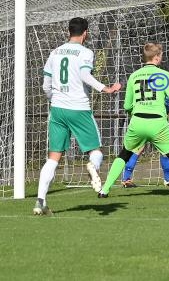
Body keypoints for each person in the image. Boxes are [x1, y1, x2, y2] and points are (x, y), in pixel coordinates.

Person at [98, 43, 169, 201]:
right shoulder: (164, 75)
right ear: (157, 58)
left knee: (124, 154)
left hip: (137, 122)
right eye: (161, 55)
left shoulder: (134, 76)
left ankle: (104, 190)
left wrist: (138, 111)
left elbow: (126, 106)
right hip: (158, 124)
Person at [34, 17, 122, 215]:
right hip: (79, 108)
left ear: (68, 32)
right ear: (85, 33)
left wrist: (54, 98)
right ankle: (92, 166)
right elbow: (84, 76)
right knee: (96, 151)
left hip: (57, 110)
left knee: (53, 157)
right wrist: (105, 88)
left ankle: (40, 202)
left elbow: (45, 85)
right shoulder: (86, 52)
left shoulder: (55, 52)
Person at [121, 62, 169, 188]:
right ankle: (126, 179)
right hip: (147, 118)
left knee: (166, 150)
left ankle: (168, 180)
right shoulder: (164, 81)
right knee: (138, 148)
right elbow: (154, 100)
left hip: (161, 120)